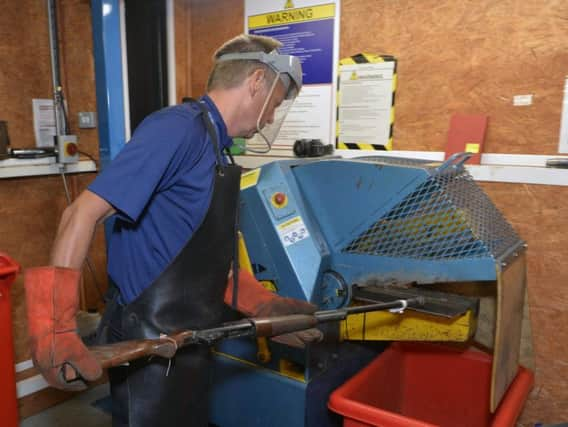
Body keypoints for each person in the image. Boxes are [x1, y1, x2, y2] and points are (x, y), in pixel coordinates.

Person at [24, 34, 322, 427]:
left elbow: (197, 255)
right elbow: (79, 215)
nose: (270, 118)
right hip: (147, 339)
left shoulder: (216, 147)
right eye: (276, 103)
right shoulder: (177, 129)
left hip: (190, 337)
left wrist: (262, 304)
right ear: (255, 82)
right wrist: (54, 329)